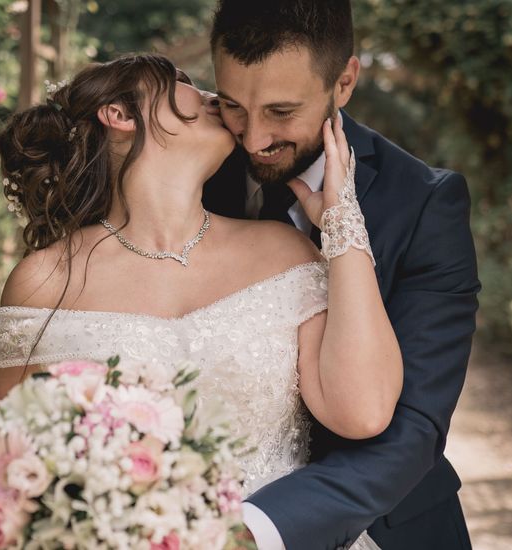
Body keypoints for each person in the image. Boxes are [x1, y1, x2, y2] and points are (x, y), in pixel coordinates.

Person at [0, 52, 398, 550]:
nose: (213, 97)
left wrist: (341, 223)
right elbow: (8, 476)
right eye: (180, 82)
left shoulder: (281, 250)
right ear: (120, 114)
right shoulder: (44, 280)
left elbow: (364, 411)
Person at [202, 1, 481, 549]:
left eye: (282, 112)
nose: (253, 138)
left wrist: (256, 530)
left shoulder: (425, 204)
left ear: (345, 81)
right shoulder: (192, 173)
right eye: (233, 105)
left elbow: (414, 429)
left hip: (385, 530)